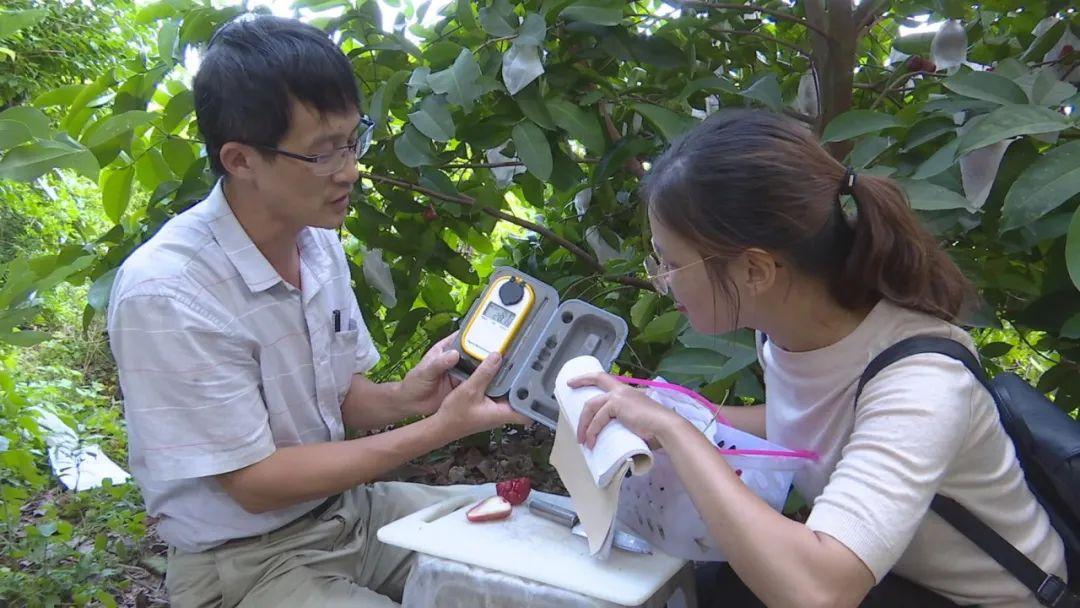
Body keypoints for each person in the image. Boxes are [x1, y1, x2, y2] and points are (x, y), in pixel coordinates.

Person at [106, 15, 527, 607]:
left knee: (538, 539)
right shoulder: (169, 292)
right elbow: (255, 484)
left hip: (345, 515)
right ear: (240, 159)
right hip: (246, 561)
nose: (350, 169)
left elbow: (338, 397)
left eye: (353, 140)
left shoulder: (316, 239)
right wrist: (439, 429)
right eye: (321, 153)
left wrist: (410, 397)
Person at [570, 109, 1067, 607]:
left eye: (674, 263)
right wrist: (688, 417)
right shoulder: (789, 334)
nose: (662, 280)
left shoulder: (922, 384)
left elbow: (820, 593)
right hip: (897, 583)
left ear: (756, 270)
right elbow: (816, 419)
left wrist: (680, 436)